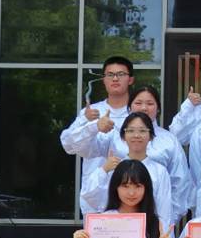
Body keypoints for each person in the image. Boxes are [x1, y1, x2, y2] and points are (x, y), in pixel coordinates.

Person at [68, 85, 191, 229]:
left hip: (153, 228)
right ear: (123, 136)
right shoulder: (114, 157)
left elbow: (179, 186)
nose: (136, 136)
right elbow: (92, 195)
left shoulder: (164, 157)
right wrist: (94, 127)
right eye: (138, 103)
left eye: (150, 103)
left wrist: (165, 227)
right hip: (117, 229)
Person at [61, 56, 135, 214]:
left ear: (130, 80)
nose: (115, 78)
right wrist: (92, 125)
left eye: (121, 74)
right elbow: (67, 144)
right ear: (103, 80)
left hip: (133, 199)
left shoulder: (138, 112)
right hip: (95, 202)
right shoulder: (91, 112)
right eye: (110, 74)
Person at [80, 113, 173, 232]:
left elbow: (164, 211)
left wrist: (162, 237)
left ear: (151, 136)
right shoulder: (113, 166)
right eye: (131, 131)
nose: (136, 135)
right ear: (123, 136)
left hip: (147, 232)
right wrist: (104, 170)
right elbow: (90, 197)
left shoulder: (160, 171)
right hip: (114, 230)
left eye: (142, 131)